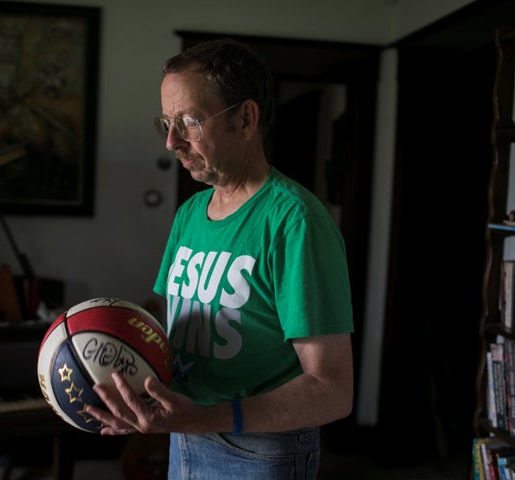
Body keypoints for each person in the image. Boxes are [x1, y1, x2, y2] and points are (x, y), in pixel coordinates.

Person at [86, 38, 354, 480]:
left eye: (189, 122)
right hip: (186, 436)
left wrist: (205, 418)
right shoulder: (190, 213)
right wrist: (137, 391)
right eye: (166, 123)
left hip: (260, 452)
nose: (172, 141)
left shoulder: (295, 221)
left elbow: (332, 390)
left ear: (245, 119)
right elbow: (176, 340)